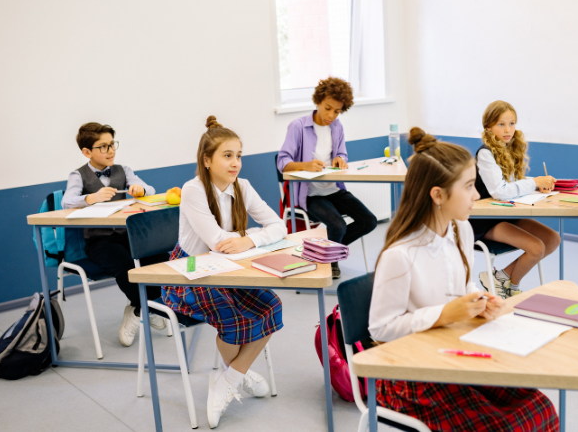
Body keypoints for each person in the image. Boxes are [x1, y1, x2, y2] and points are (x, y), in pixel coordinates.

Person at [368, 127, 559, 431]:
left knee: (542, 409)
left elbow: (465, 285)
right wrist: (443, 315)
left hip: (455, 351)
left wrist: (481, 300)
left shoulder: (461, 230)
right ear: (438, 195)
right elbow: (380, 329)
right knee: (503, 426)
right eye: (469, 186)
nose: (476, 195)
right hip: (412, 372)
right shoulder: (400, 254)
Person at [164, 116, 287, 428]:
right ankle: (237, 374)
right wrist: (241, 242)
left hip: (229, 268)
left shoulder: (242, 187)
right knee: (233, 319)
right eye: (227, 156)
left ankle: (229, 377)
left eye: (239, 156)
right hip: (190, 272)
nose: (236, 164)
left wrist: (249, 239)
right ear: (207, 160)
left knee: (272, 306)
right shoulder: (193, 190)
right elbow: (217, 242)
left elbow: (278, 226)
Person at [61, 122, 169, 346]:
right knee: (125, 265)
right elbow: (66, 202)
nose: (110, 151)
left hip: (130, 236)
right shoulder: (78, 175)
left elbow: (149, 190)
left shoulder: (124, 170)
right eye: (103, 146)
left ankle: (139, 309)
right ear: (87, 152)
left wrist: (141, 190)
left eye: (112, 144)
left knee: (160, 259)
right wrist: (90, 198)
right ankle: (145, 307)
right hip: (100, 241)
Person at [277, 77, 377, 279]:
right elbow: (282, 162)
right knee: (338, 225)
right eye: (327, 108)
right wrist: (306, 165)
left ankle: (323, 252)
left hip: (334, 190)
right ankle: (331, 260)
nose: (331, 115)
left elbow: (342, 153)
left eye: (337, 111)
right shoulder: (298, 126)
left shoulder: (337, 127)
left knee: (369, 221)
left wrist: (340, 158)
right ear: (318, 101)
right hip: (310, 195)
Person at [470, 101, 560, 298]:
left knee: (553, 239)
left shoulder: (508, 148)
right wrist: (534, 182)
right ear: (489, 127)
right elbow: (500, 191)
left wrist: (536, 182)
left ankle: (501, 277)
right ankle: (512, 287)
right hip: (484, 219)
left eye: (511, 123)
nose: (507, 130)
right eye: (501, 124)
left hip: (505, 212)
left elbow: (511, 182)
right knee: (536, 248)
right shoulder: (486, 153)